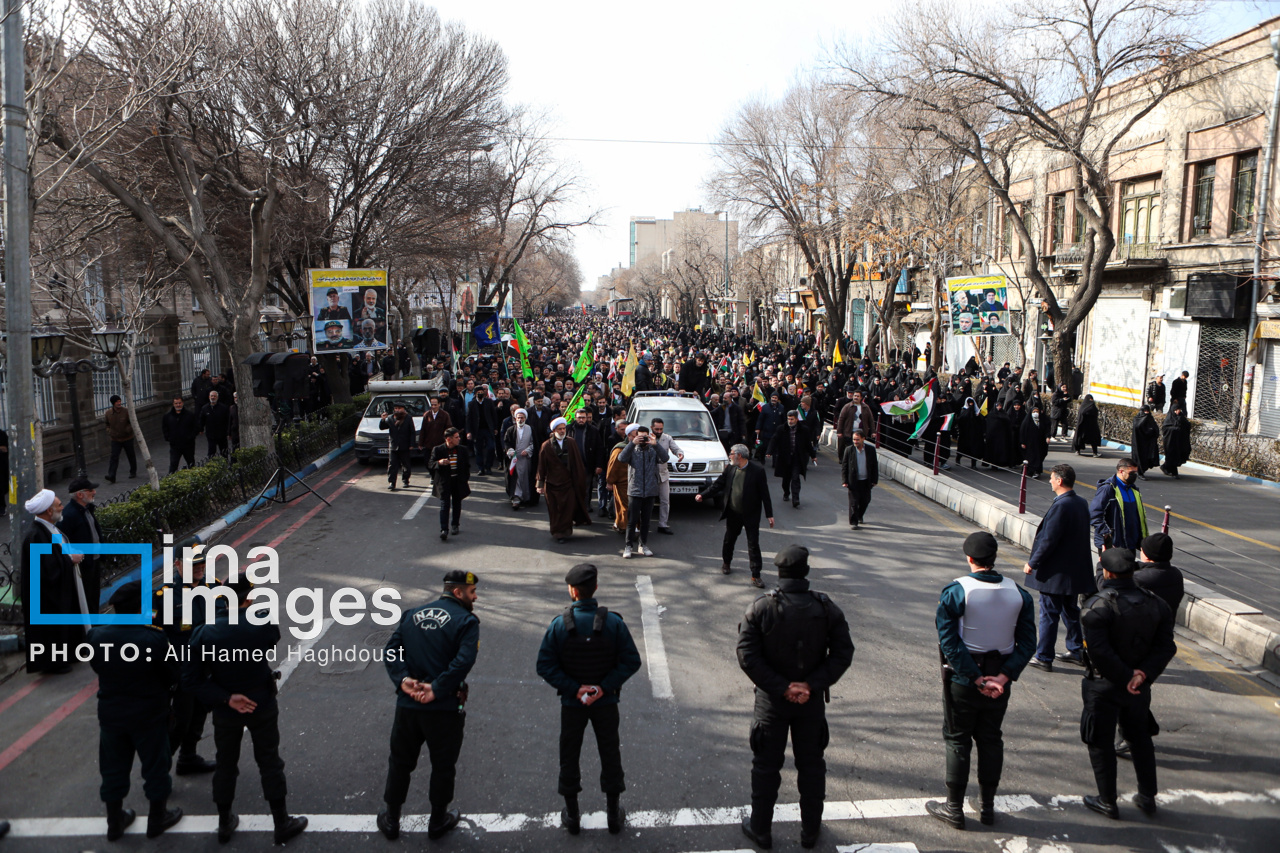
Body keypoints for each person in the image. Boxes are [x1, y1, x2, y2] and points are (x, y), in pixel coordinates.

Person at [736, 545, 854, 850]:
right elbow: (843, 653)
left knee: (765, 767)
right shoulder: (826, 608)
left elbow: (748, 656)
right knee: (812, 767)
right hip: (810, 703)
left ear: (779, 573)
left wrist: (782, 687)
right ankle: (810, 831)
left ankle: (761, 830)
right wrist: (810, 685)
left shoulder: (760, 608)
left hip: (771, 703)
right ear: (806, 572)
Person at [183, 577, 307, 845]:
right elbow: (272, 638)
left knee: (225, 764)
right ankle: (281, 821)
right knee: (269, 761)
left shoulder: (205, 632)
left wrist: (226, 698)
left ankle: (224, 821)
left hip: (226, 708)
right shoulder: (261, 621)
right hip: (261, 701)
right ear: (248, 597)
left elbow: (191, 679)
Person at [926, 532, 1035, 830]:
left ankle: (954, 808)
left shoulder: (956, 591)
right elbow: (1027, 644)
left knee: (958, 739)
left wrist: (975, 678)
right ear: (994, 558)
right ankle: (987, 807)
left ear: (969, 558)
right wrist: (1003, 676)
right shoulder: (1019, 594)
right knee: (990, 738)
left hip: (964, 679)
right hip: (1001, 680)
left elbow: (948, 641)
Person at [536, 564, 642, 835]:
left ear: (572, 591)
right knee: (610, 753)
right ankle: (613, 815)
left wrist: (575, 689)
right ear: (595, 588)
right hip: (606, 704)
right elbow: (631, 661)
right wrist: (603, 688)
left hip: (573, 705)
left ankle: (572, 816)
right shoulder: (614, 623)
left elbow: (545, 666)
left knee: (569, 755)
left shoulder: (560, 625)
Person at [378, 570, 481, 841]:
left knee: (400, 762)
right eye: (472, 592)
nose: (476, 596)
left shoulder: (411, 615)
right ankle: (437, 821)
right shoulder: (466, 621)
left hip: (408, 706)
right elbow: (463, 661)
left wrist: (403, 680)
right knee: (443, 765)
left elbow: (391, 650)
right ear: (458, 592)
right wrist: (437, 688)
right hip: (444, 708)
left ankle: (391, 819)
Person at [1078, 548, 1176, 820]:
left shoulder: (1097, 606)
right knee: (1140, 740)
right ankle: (1148, 797)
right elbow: (1166, 647)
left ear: (1107, 573)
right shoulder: (1157, 604)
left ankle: (1107, 800)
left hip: (1104, 685)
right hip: (1139, 688)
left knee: (1100, 742)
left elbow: (1099, 652)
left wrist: (1126, 676)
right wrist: (1142, 675)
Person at [88, 581, 184, 840]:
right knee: (155, 767)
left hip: (111, 715)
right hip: (149, 715)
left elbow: (97, 666)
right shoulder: (154, 638)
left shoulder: (97, 636)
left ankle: (114, 823)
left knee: (113, 769)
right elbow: (172, 675)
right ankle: (157, 818)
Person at [1023, 464, 1094, 672]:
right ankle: (1075, 648)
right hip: (1073, 571)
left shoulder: (1061, 506)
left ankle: (1044, 656)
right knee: (1070, 610)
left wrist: (1032, 563)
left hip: (1055, 573)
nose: (1050, 481)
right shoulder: (1080, 502)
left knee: (1049, 613)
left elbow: (1048, 539)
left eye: (1052, 478)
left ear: (1060, 481)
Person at [153, 546, 217, 776]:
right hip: (182, 670)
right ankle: (158, 772)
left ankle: (188, 758)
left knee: (200, 712)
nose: (199, 568)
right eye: (193, 564)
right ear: (178, 564)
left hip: (208, 666)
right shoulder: (164, 596)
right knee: (180, 721)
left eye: (201, 563)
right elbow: (153, 638)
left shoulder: (215, 587)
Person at [19, 489, 86, 674]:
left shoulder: (50, 529)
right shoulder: (36, 536)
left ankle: (69, 655)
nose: (62, 507)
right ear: (49, 511)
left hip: (59, 592)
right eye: (58, 505)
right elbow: (47, 570)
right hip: (47, 598)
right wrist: (69, 560)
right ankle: (54, 663)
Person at [697, 444, 775, 585]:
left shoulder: (757, 471)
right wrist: (703, 495)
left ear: (739, 455)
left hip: (751, 514)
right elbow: (718, 485)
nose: (730, 456)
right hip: (733, 512)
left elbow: (765, 494)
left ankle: (756, 575)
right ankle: (726, 563)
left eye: (732, 453)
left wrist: (769, 514)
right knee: (729, 540)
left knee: (753, 544)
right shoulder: (731, 469)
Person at [537, 417, 594, 544]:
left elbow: (577, 463)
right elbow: (541, 466)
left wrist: (579, 479)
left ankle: (565, 531)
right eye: (560, 429)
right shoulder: (546, 446)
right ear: (554, 430)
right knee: (555, 510)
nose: (562, 431)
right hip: (552, 484)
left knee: (567, 509)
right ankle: (557, 532)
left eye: (564, 428)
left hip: (568, 483)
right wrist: (539, 484)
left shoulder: (571, 442)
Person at [617, 424, 669, 559]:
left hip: (650, 489)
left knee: (646, 520)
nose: (643, 439)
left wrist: (655, 444)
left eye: (645, 436)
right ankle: (628, 546)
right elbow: (621, 459)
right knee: (632, 520)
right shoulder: (632, 449)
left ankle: (643, 544)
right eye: (640, 436)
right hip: (635, 489)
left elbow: (665, 458)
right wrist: (631, 444)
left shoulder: (653, 449)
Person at [58, 477, 103, 619]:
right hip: (83, 566)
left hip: (94, 561)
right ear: (80, 494)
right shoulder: (69, 515)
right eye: (91, 490)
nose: (94, 492)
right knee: (86, 599)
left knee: (94, 596)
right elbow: (60, 541)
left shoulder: (87, 509)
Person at [1090, 458, 1149, 552]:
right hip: (1113, 546)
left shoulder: (1134, 490)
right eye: (1132, 473)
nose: (1134, 476)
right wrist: (1107, 536)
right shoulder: (1107, 489)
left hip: (1131, 544)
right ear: (1121, 471)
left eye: (1136, 473)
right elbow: (1095, 514)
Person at [767, 410, 816, 509]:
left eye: (792, 419)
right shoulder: (781, 429)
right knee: (786, 479)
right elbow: (774, 440)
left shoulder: (804, 430)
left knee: (795, 478)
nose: (790, 421)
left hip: (797, 458)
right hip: (785, 458)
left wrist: (813, 455)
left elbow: (808, 444)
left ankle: (795, 498)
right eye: (788, 419)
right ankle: (786, 492)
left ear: (797, 419)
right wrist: (769, 451)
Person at [429, 427, 471, 542]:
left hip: (457, 481)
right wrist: (439, 463)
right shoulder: (438, 450)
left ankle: (455, 524)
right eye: (456, 437)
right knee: (444, 505)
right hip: (444, 482)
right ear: (449, 439)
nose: (459, 439)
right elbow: (431, 464)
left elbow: (467, 466)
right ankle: (444, 529)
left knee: (457, 503)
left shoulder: (462, 450)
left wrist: (464, 479)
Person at [650, 418, 684, 535]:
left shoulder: (667, 438)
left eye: (661, 429)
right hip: (650, 476)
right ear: (651, 428)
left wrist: (680, 453)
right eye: (656, 429)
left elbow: (675, 448)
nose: (659, 431)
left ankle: (663, 524)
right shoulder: (647, 438)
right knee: (648, 501)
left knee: (665, 500)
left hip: (663, 474)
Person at [840, 429, 879, 528]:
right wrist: (844, 481)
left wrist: (875, 480)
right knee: (854, 502)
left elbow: (874, 465)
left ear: (863, 439)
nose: (855, 442)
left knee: (865, 500)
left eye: (857, 439)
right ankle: (854, 522)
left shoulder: (870, 450)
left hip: (866, 481)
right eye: (854, 439)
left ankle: (859, 515)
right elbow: (844, 466)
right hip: (853, 481)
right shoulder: (849, 450)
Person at [504, 407, 540, 510]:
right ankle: (516, 498)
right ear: (515, 418)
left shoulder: (530, 429)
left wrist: (528, 450)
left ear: (525, 418)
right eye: (519, 417)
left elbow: (534, 443)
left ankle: (526, 497)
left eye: (522, 418)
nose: (520, 420)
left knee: (526, 477)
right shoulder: (511, 430)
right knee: (517, 478)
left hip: (527, 459)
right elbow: (507, 443)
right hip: (515, 459)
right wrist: (510, 450)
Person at [379, 400, 416, 491]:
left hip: (404, 445)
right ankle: (392, 482)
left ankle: (405, 480)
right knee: (392, 465)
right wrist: (383, 419)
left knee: (406, 464)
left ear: (403, 409)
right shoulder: (390, 418)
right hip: (394, 446)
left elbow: (412, 432)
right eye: (396, 408)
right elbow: (382, 427)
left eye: (399, 408)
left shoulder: (408, 418)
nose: (397, 410)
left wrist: (412, 444)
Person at [465, 384, 499, 476]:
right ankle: (481, 468)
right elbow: (468, 418)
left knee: (491, 447)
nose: (480, 394)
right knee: (478, 450)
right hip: (477, 430)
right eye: (478, 392)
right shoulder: (471, 404)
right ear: (475, 394)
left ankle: (488, 467)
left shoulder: (489, 402)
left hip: (488, 429)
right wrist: (468, 431)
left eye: (481, 392)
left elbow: (494, 416)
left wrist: (495, 428)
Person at [162, 395, 201, 473]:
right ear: (173, 404)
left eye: (179, 403)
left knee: (191, 464)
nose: (178, 405)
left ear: (183, 403)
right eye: (176, 403)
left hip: (188, 445)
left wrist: (191, 437)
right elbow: (165, 428)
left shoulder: (190, 415)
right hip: (175, 445)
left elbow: (196, 427)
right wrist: (169, 438)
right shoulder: (167, 416)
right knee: (173, 465)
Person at [102, 395, 138, 483]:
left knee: (131, 455)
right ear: (113, 403)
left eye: (119, 401)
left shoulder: (126, 411)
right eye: (117, 401)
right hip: (115, 439)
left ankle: (133, 471)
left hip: (127, 438)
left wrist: (128, 430)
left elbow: (132, 422)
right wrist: (109, 431)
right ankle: (112, 475)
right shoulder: (108, 413)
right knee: (114, 457)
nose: (119, 403)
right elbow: (107, 424)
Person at [836, 388, 875, 461]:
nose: (856, 397)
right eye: (855, 396)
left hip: (861, 432)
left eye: (857, 396)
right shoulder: (847, 406)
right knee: (850, 449)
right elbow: (841, 419)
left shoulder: (865, 407)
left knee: (858, 449)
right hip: (849, 432)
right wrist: (839, 431)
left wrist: (873, 431)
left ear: (861, 397)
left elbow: (871, 420)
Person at [1159, 403, 1191, 479]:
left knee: (1177, 456)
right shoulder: (1169, 418)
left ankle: (1165, 467)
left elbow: (1187, 425)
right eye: (1177, 410)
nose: (1178, 411)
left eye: (1179, 410)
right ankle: (1174, 472)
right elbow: (1165, 429)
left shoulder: (1181, 417)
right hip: (1170, 441)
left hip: (1179, 441)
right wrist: (1175, 429)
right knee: (1171, 455)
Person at [1019, 405, 1049, 479]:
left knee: (1039, 457)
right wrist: (1022, 442)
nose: (1036, 413)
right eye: (1034, 412)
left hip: (1039, 443)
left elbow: (1046, 430)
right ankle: (1029, 471)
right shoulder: (1027, 421)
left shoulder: (1041, 421)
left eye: (1037, 412)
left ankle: (1037, 471)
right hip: (1030, 444)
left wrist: (1047, 437)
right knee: (1030, 458)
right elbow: (1022, 432)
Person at [200, 389, 231, 459]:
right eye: (211, 396)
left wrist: (228, 432)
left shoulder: (223, 408)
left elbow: (227, 420)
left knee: (224, 452)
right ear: (209, 397)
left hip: (222, 434)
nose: (213, 397)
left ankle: (225, 465)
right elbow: (202, 419)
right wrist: (201, 429)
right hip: (211, 434)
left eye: (214, 396)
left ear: (217, 397)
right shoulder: (205, 408)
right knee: (211, 452)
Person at [1131, 405, 1160, 479]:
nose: (1147, 413)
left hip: (1148, 444)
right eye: (1145, 411)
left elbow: (1155, 428)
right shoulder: (1137, 419)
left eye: (1148, 411)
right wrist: (1149, 430)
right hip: (1139, 443)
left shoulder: (1150, 418)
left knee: (1147, 458)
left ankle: (1141, 471)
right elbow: (1138, 428)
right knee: (1140, 458)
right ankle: (1139, 472)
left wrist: (1152, 431)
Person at [755, 393, 786, 462]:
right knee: (764, 446)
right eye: (773, 397)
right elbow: (760, 419)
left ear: (778, 399)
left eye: (775, 398)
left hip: (776, 431)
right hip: (767, 430)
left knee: (776, 447)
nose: (774, 399)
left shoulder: (781, 407)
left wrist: (784, 428)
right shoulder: (765, 407)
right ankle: (762, 458)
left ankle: (775, 463)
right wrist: (758, 428)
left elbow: (784, 419)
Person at [955, 397, 984, 469]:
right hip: (965, 434)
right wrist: (969, 412)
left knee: (974, 449)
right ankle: (958, 458)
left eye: (972, 404)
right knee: (962, 448)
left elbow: (980, 421)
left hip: (974, 434)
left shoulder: (976, 411)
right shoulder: (963, 410)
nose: (971, 405)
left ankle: (973, 464)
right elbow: (961, 420)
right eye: (969, 404)